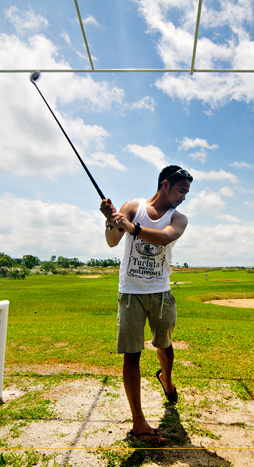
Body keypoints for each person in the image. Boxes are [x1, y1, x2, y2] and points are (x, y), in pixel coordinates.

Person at [99, 165, 193, 445]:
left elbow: (164, 237)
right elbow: (113, 242)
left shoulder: (178, 218)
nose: (184, 197)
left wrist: (132, 227)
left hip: (161, 291)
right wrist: (110, 221)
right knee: (132, 353)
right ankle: (138, 421)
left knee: (164, 344)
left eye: (186, 192)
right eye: (181, 190)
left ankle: (166, 377)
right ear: (165, 184)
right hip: (130, 292)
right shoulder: (132, 207)